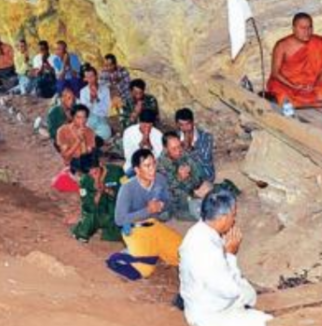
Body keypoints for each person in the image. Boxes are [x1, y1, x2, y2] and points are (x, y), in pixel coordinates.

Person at [179, 189, 271, 326]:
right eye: (233, 215)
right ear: (223, 218)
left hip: (203, 305)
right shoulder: (205, 248)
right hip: (211, 316)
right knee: (267, 321)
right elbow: (230, 290)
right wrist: (230, 255)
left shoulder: (198, 231)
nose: (234, 220)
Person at [113, 149, 181, 279]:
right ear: (137, 170)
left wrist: (162, 205)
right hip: (134, 229)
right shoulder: (127, 188)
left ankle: (151, 251)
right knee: (143, 270)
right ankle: (126, 256)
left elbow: (168, 202)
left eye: (153, 164)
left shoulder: (160, 179)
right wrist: (147, 211)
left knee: (183, 253)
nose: (152, 169)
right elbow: (119, 219)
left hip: (155, 225)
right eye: (147, 166)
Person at [266, 13, 322, 107]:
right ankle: (315, 102)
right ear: (293, 29)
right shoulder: (282, 45)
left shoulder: (321, 42)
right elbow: (275, 73)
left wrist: (314, 86)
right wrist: (293, 86)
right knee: (282, 96)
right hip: (288, 85)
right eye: (302, 28)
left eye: (310, 27)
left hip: (313, 85)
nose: (307, 31)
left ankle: (306, 101)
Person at [158, 132, 211, 220]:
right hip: (177, 200)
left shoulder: (184, 155)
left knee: (209, 188)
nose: (178, 151)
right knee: (205, 215)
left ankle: (198, 203)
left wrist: (194, 180)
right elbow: (167, 190)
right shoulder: (160, 166)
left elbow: (198, 177)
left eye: (179, 146)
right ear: (165, 149)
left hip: (191, 191)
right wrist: (179, 178)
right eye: (174, 149)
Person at [72, 152, 123, 243]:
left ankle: (110, 228)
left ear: (100, 164)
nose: (93, 176)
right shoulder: (85, 181)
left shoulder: (117, 172)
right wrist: (98, 193)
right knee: (83, 231)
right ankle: (90, 226)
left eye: (95, 172)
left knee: (118, 231)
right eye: (90, 174)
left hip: (116, 208)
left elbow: (125, 196)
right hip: (98, 211)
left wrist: (107, 190)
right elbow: (88, 206)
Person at [176, 108, 216, 183]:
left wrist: (187, 148)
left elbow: (204, 160)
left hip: (205, 174)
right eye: (181, 125)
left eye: (187, 124)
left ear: (193, 122)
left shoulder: (206, 137)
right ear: (177, 125)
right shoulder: (175, 138)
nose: (185, 128)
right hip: (183, 173)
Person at [55, 104, 99, 170]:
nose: (82, 120)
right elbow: (66, 156)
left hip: (86, 163)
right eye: (78, 117)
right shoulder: (62, 131)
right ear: (72, 117)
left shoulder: (90, 132)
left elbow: (86, 158)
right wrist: (78, 141)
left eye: (84, 117)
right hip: (71, 163)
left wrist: (83, 139)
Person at [121, 109, 163, 174]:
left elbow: (159, 157)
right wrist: (141, 144)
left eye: (149, 126)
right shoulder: (128, 132)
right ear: (139, 122)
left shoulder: (158, 135)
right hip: (133, 167)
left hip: (152, 167)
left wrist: (150, 147)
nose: (147, 129)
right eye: (144, 126)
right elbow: (128, 156)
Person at [79, 67, 113, 140]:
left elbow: (106, 109)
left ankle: (92, 137)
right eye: (88, 77)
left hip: (101, 118)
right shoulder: (83, 91)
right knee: (82, 130)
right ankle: (94, 138)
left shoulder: (105, 89)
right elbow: (84, 111)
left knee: (107, 132)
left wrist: (97, 98)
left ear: (96, 76)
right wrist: (91, 99)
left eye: (92, 76)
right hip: (89, 118)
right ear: (85, 79)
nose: (90, 79)